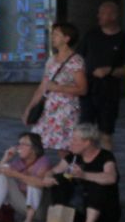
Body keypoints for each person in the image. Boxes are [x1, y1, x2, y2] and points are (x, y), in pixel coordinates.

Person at [47, 123, 120, 222]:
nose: (71, 142)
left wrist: (84, 175)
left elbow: (111, 177)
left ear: (87, 142)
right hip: (80, 210)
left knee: (98, 183)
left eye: (75, 139)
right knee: (59, 179)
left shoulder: (105, 156)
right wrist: (48, 177)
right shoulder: (73, 157)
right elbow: (54, 170)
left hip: (104, 214)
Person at [77, 1, 125, 148]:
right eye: (99, 13)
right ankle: (84, 166)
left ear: (113, 16)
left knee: (105, 134)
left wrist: (109, 70)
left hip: (109, 93)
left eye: (103, 13)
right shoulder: (91, 35)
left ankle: (107, 166)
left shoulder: (124, 39)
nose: (99, 16)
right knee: (84, 132)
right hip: (88, 91)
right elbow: (77, 59)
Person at [23, 22, 87, 153]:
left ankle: (71, 172)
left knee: (63, 149)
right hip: (48, 110)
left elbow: (83, 89)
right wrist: (29, 108)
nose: (52, 37)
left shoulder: (76, 61)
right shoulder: (51, 60)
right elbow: (42, 87)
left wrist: (59, 88)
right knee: (36, 143)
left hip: (66, 111)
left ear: (66, 38)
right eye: (53, 34)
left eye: (56, 34)